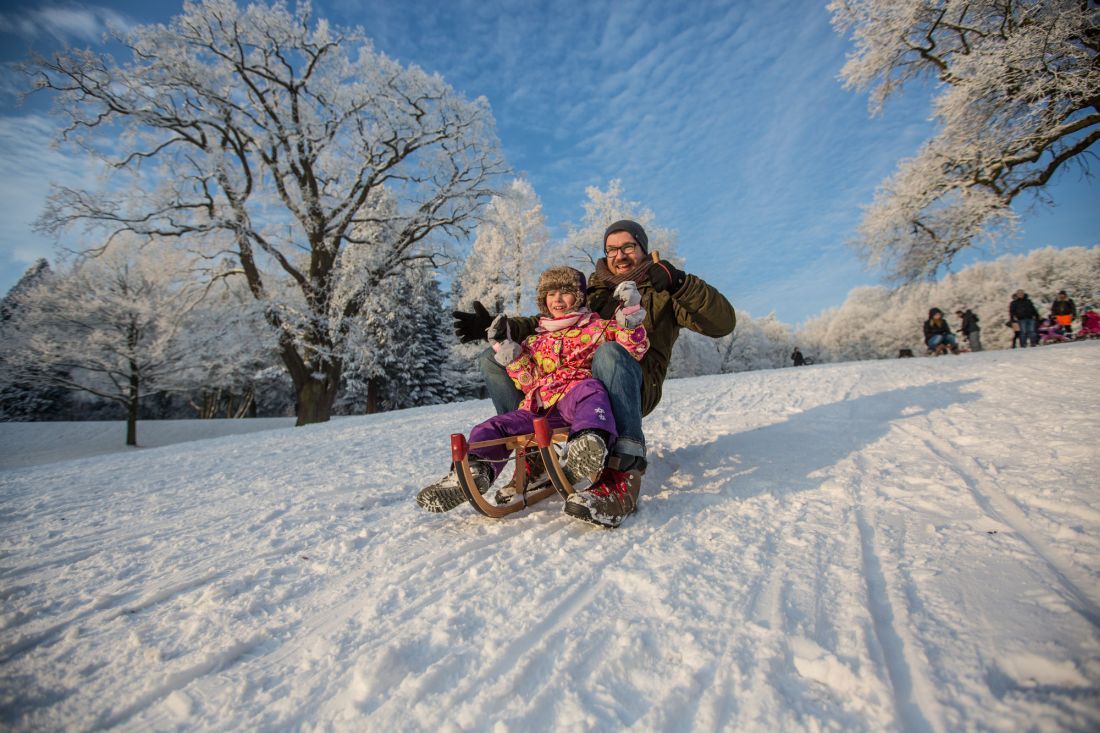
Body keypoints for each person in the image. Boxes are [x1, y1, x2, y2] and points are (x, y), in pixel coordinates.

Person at [451, 219, 736, 526]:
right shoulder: (594, 291)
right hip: (572, 387)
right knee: (492, 360)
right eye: (612, 249)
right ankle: (533, 455)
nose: (620, 254)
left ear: (643, 247)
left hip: (632, 379)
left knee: (610, 352)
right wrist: (499, 329)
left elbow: (722, 324)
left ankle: (622, 470)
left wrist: (680, 283)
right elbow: (549, 322)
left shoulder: (662, 288)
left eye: (628, 246)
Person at [417, 266, 649, 520]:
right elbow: (529, 382)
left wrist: (630, 316)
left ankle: (586, 444)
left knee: (590, 388)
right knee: (494, 426)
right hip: (538, 409)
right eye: (550, 294)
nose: (557, 299)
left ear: (580, 297)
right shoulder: (536, 339)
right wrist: (511, 355)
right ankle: (475, 468)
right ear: (543, 300)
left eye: (565, 292)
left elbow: (632, 349)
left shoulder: (598, 328)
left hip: (577, 405)